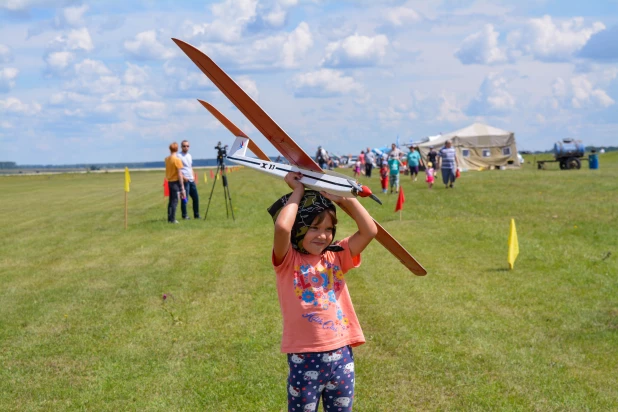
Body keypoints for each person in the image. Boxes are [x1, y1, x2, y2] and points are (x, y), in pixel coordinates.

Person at [268, 172, 378, 412]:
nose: (323, 235)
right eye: (314, 227)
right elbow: (282, 227)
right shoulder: (287, 261)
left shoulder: (335, 255)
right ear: (299, 228)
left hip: (342, 354)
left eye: (329, 228)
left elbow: (369, 230)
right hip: (304, 357)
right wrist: (297, 192)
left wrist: (343, 198)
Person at [178, 140, 200, 220]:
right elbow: (178, 169)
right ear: (181, 147)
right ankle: (184, 215)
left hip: (191, 180)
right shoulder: (179, 156)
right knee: (184, 198)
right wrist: (184, 178)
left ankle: (196, 215)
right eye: (184, 146)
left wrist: (193, 177)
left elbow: (190, 167)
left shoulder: (189, 156)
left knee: (196, 198)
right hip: (185, 181)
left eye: (187, 146)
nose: (186, 147)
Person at [165, 142, 185, 223]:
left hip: (169, 181)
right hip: (175, 182)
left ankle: (169, 217)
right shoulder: (177, 160)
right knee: (175, 201)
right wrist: (182, 187)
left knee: (171, 200)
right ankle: (173, 219)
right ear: (177, 149)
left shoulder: (167, 159)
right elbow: (180, 174)